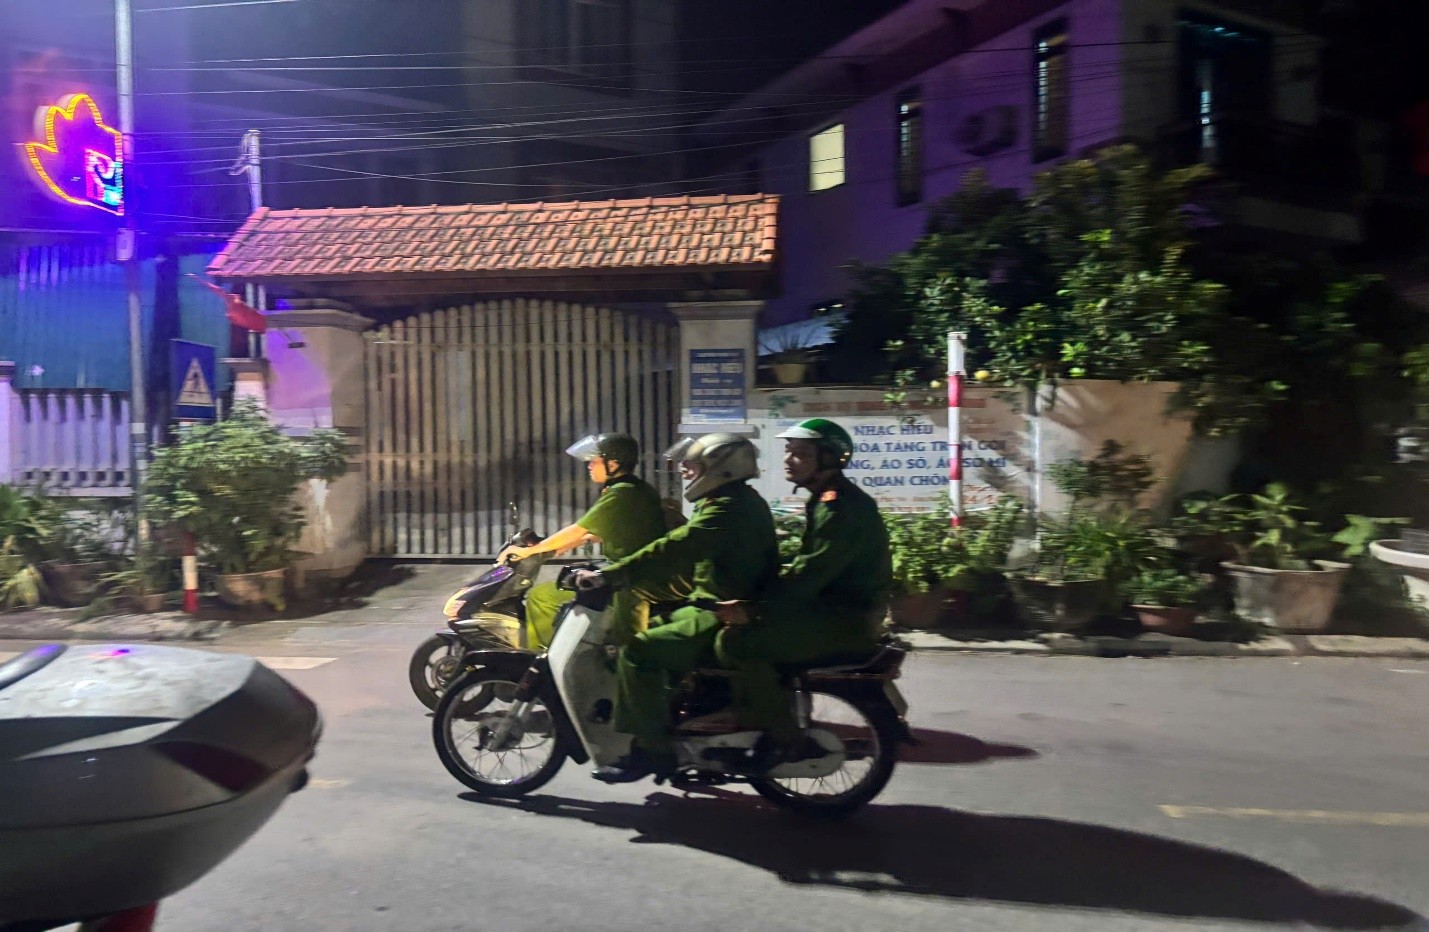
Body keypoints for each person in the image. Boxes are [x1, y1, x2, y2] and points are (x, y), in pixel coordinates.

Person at [573, 432, 778, 783]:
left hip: (722, 612)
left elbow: (675, 548)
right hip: (712, 604)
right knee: (647, 634)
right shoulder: (731, 501)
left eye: (693, 466)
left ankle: (652, 750)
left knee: (637, 653)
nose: (684, 471)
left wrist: (613, 574)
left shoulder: (728, 508)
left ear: (723, 469)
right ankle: (683, 729)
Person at [715, 417, 893, 763]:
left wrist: (754, 607)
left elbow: (812, 572)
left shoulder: (839, 507)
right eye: (789, 451)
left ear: (829, 460)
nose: (788, 459)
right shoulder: (827, 499)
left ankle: (781, 736)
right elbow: (809, 566)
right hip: (834, 609)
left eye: (801, 454)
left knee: (737, 642)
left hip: (845, 618)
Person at [500, 433, 667, 649]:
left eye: (594, 461)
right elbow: (600, 532)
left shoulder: (622, 493)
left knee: (542, 597)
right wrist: (559, 547)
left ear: (613, 464)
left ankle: (546, 659)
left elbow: (579, 529)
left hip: (627, 577)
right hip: (634, 570)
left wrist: (529, 551)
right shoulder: (637, 488)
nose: (589, 466)